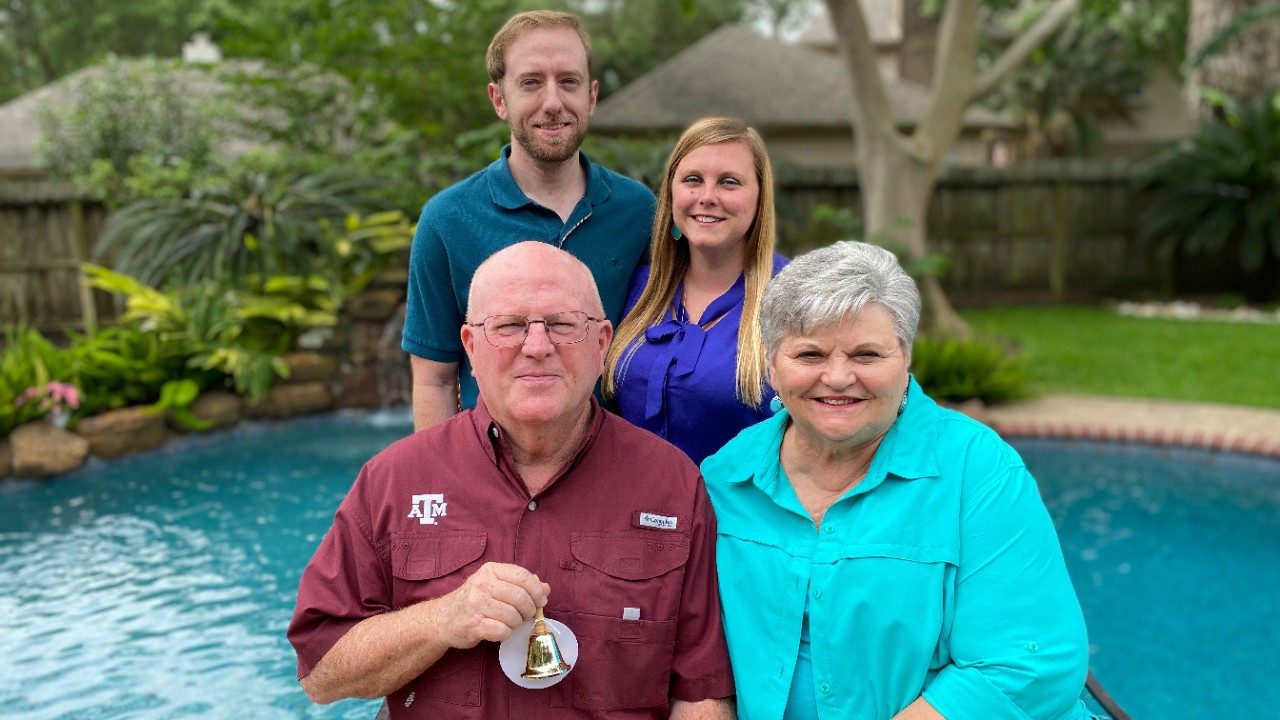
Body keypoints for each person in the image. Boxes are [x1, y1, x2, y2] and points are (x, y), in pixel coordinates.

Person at [290, 242, 735, 720]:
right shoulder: (394, 479)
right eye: (509, 326)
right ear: (470, 347)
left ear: (602, 343)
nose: (537, 346)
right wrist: (443, 618)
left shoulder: (671, 484)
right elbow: (321, 670)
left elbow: (701, 691)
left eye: (563, 324)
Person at [701, 241, 1092, 720]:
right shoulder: (723, 479)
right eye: (810, 354)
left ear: (905, 359)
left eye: (867, 354)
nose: (839, 377)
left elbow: (1029, 663)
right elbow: (693, 656)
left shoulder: (977, 469)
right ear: (771, 364)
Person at [401, 10, 655, 432]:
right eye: (531, 83)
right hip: (492, 470)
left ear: (592, 96)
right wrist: (450, 482)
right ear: (499, 99)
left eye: (569, 82)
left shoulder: (638, 211)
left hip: (612, 472)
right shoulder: (447, 220)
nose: (553, 103)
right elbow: (435, 379)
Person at [603, 117, 787, 465]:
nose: (707, 197)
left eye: (729, 182)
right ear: (671, 191)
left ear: (760, 197)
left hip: (737, 515)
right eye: (692, 180)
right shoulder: (636, 289)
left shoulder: (793, 297)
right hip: (629, 513)